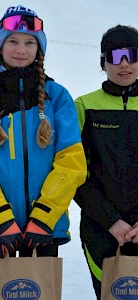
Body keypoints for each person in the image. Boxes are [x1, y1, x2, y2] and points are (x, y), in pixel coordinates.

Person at [0, 5, 87, 299]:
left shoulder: (58, 96)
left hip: (45, 227)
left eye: (30, 42)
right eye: (13, 40)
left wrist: (44, 217)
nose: (21, 49)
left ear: (39, 49)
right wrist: (1, 218)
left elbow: (72, 163)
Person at [74, 24, 138, 299]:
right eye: (114, 56)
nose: (123, 65)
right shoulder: (84, 106)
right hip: (101, 229)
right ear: (103, 63)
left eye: (131, 55)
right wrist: (111, 220)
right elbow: (72, 172)